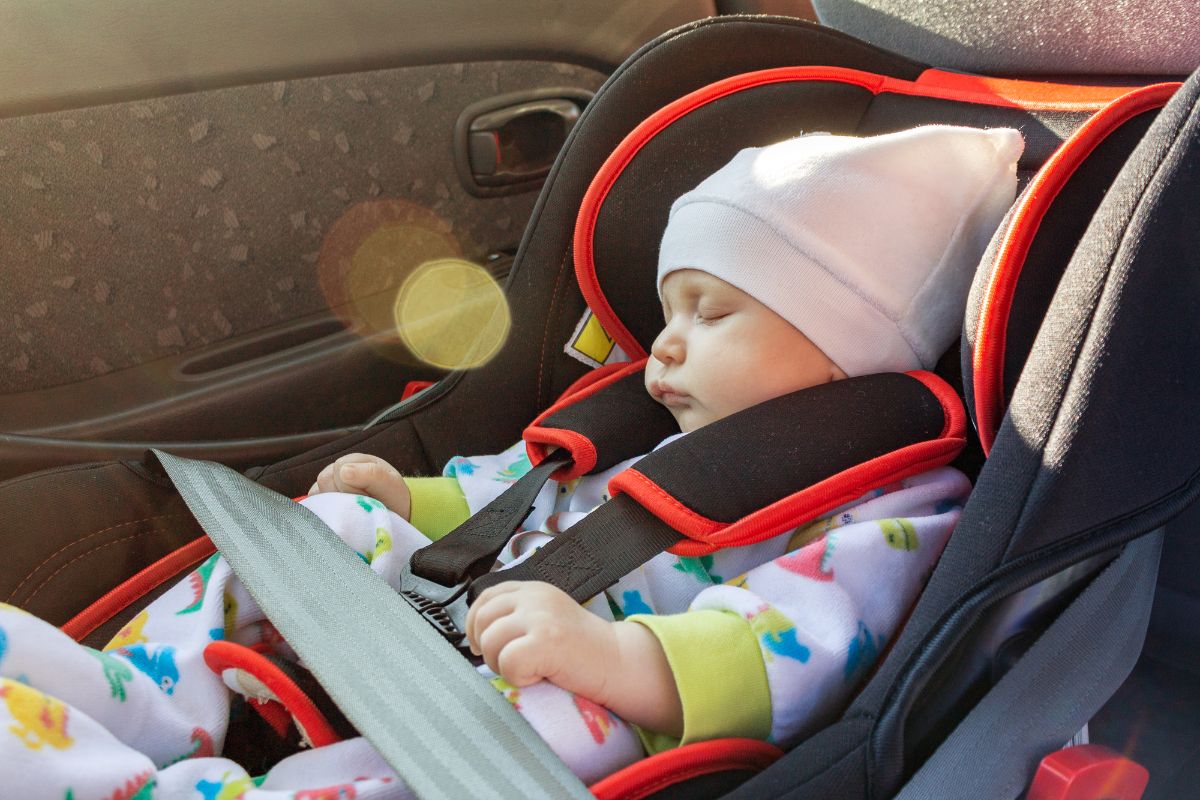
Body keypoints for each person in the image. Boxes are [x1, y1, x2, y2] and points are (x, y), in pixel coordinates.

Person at [0, 125, 1022, 799]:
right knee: (336, 526)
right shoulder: (657, 423)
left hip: (575, 695)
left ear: (851, 342)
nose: (661, 345)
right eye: (668, 310)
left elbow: (809, 645)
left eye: (713, 313)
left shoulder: (891, 508)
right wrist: (412, 496)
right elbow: (515, 496)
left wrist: (617, 660)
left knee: (551, 722)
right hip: (454, 614)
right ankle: (140, 693)